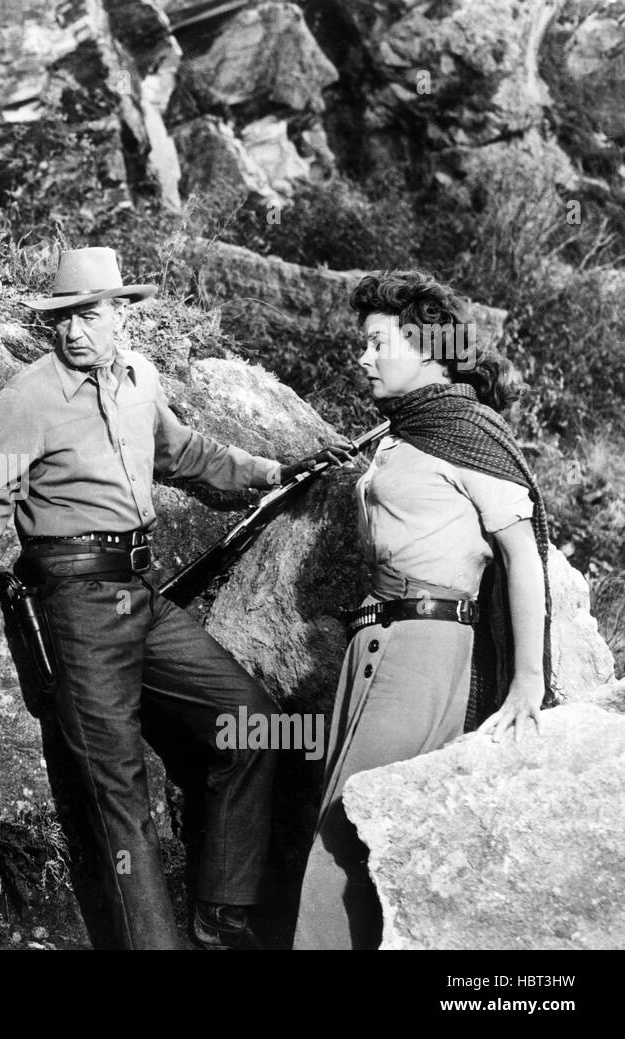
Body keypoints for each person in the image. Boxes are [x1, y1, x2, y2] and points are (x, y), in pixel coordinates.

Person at [0, 246, 355, 950]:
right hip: (74, 604)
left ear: (122, 316)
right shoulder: (27, 396)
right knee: (121, 801)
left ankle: (220, 921)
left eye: (89, 316)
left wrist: (277, 469)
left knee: (253, 727)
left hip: (140, 597)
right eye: (63, 318)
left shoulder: (141, 380)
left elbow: (188, 455)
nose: (74, 331)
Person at [292, 270, 552, 950]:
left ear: (427, 347)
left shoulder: (466, 428)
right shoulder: (405, 429)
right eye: (362, 344)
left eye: (377, 343)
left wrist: (529, 680)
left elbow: (523, 556)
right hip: (372, 647)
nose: (363, 357)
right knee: (359, 827)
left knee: (348, 832)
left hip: (425, 649)